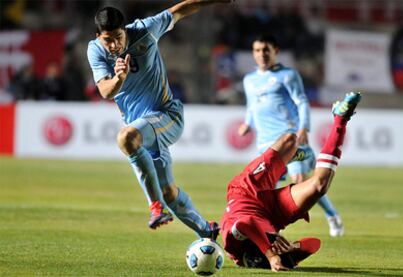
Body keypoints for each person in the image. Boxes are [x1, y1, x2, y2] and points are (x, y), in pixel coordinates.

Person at [87, 1, 233, 238]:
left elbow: (179, 11)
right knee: (168, 191)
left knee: (127, 138)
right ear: (98, 36)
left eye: (118, 37)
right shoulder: (95, 50)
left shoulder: (145, 30)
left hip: (167, 115)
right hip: (144, 130)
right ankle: (208, 231)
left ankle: (155, 208)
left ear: (126, 29)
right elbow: (105, 91)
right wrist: (119, 78)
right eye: (107, 40)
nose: (114, 45)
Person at [221, 92, 361, 271]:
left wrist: (271, 255)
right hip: (274, 215)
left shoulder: (234, 248)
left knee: (290, 139)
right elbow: (314, 244)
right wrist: (293, 248)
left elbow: (245, 223)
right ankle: (340, 118)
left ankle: (291, 159)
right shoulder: (279, 254)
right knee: (319, 186)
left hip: (246, 192)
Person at [238, 34, 344, 237]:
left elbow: (301, 101)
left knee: (300, 180)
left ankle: (332, 216)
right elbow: (251, 105)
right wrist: (247, 123)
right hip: (266, 143)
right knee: (267, 188)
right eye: (258, 50)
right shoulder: (249, 80)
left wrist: (304, 127)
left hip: (290, 138)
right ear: (253, 53)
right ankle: (269, 228)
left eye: (266, 50)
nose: (262, 54)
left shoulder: (287, 75)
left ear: (275, 51)